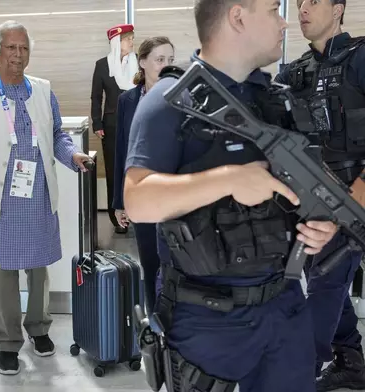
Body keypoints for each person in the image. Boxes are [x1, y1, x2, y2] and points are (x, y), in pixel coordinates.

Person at [124, 0, 339, 390]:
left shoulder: (277, 101)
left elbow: (300, 191)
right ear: (238, 16)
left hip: (283, 302)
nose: (285, 22)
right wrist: (228, 179)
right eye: (274, 10)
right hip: (204, 314)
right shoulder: (171, 100)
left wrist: (318, 224)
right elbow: (137, 200)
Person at [0, 20, 92, 376]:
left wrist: (72, 155)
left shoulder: (43, 90)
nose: (17, 55)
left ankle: (39, 328)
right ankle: (8, 342)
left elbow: (58, 134)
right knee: (3, 276)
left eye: (24, 48)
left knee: (39, 270)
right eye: (11, 48)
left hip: (38, 196)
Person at [274, 1, 365, 390]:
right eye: (299, 4)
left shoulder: (361, 58)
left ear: (339, 8)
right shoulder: (294, 73)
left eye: (313, 1)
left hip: (355, 196)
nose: (303, 9)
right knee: (325, 276)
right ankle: (351, 361)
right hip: (315, 199)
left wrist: (350, 204)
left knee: (326, 281)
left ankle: (299, 376)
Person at [112, 36, 175, 313]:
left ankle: (179, 326)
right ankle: (155, 325)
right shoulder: (128, 100)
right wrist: (118, 201)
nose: (166, 65)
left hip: (176, 194)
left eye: (170, 60)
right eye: (160, 59)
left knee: (177, 263)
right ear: (143, 62)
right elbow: (121, 151)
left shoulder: (179, 96)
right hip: (142, 194)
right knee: (150, 262)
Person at [91, 23, 137, 234]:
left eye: (132, 39)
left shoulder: (137, 65)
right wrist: (97, 123)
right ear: (117, 42)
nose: (131, 43)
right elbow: (96, 97)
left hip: (136, 123)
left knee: (134, 169)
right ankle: (117, 217)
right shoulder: (102, 65)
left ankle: (136, 213)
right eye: (128, 39)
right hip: (110, 125)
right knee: (113, 170)